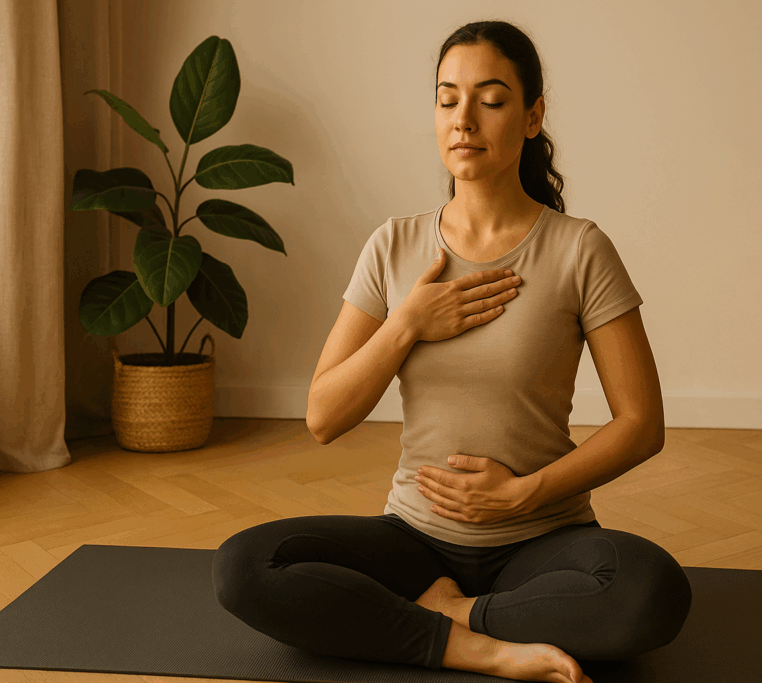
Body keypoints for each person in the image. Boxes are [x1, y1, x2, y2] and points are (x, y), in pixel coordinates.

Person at [212, 19, 692, 683]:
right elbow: (323, 417)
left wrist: (524, 494)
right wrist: (406, 322)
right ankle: (475, 641)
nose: (464, 119)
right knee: (244, 567)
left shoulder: (579, 249)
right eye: (447, 99)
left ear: (532, 116)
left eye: (490, 100)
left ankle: (454, 614)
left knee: (651, 589)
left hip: (544, 537)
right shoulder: (393, 245)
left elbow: (642, 424)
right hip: (414, 537)